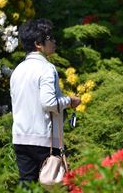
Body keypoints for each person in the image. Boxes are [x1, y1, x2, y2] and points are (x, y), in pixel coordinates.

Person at [10, 18, 81, 185]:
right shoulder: (47, 68)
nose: (54, 41)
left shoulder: (18, 70)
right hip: (43, 138)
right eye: (50, 38)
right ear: (38, 44)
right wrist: (69, 101)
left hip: (20, 136)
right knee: (53, 184)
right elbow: (49, 103)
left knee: (26, 183)